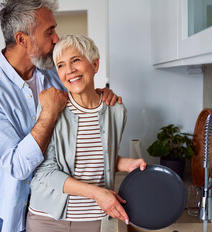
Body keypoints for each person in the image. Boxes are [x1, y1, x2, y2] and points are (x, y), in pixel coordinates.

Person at [0, 0, 120, 232]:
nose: (56, 39)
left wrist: (98, 95)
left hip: (58, 204)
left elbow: (78, 117)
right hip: (14, 208)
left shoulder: (52, 73)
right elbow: (18, 167)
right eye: (48, 32)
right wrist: (48, 113)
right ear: (22, 39)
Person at [26, 34, 147, 232]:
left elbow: (97, 157)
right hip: (47, 219)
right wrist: (97, 193)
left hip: (94, 218)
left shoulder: (116, 111)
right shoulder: (52, 108)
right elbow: (44, 172)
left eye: (76, 60)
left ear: (95, 64)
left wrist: (127, 164)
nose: (70, 70)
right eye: (62, 65)